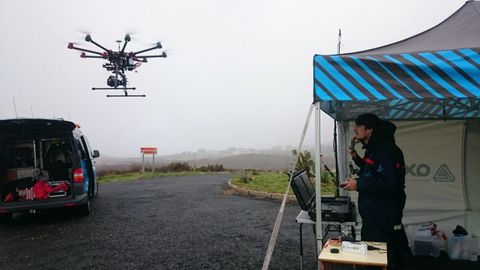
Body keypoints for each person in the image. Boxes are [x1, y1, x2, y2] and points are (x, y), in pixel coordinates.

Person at [341, 113, 408, 270]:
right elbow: (371, 170)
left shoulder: (385, 151)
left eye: (358, 126)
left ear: (369, 129)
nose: (354, 129)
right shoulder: (375, 149)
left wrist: (358, 184)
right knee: (375, 253)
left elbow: (388, 183)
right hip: (374, 213)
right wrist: (356, 157)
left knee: (380, 254)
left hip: (382, 213)